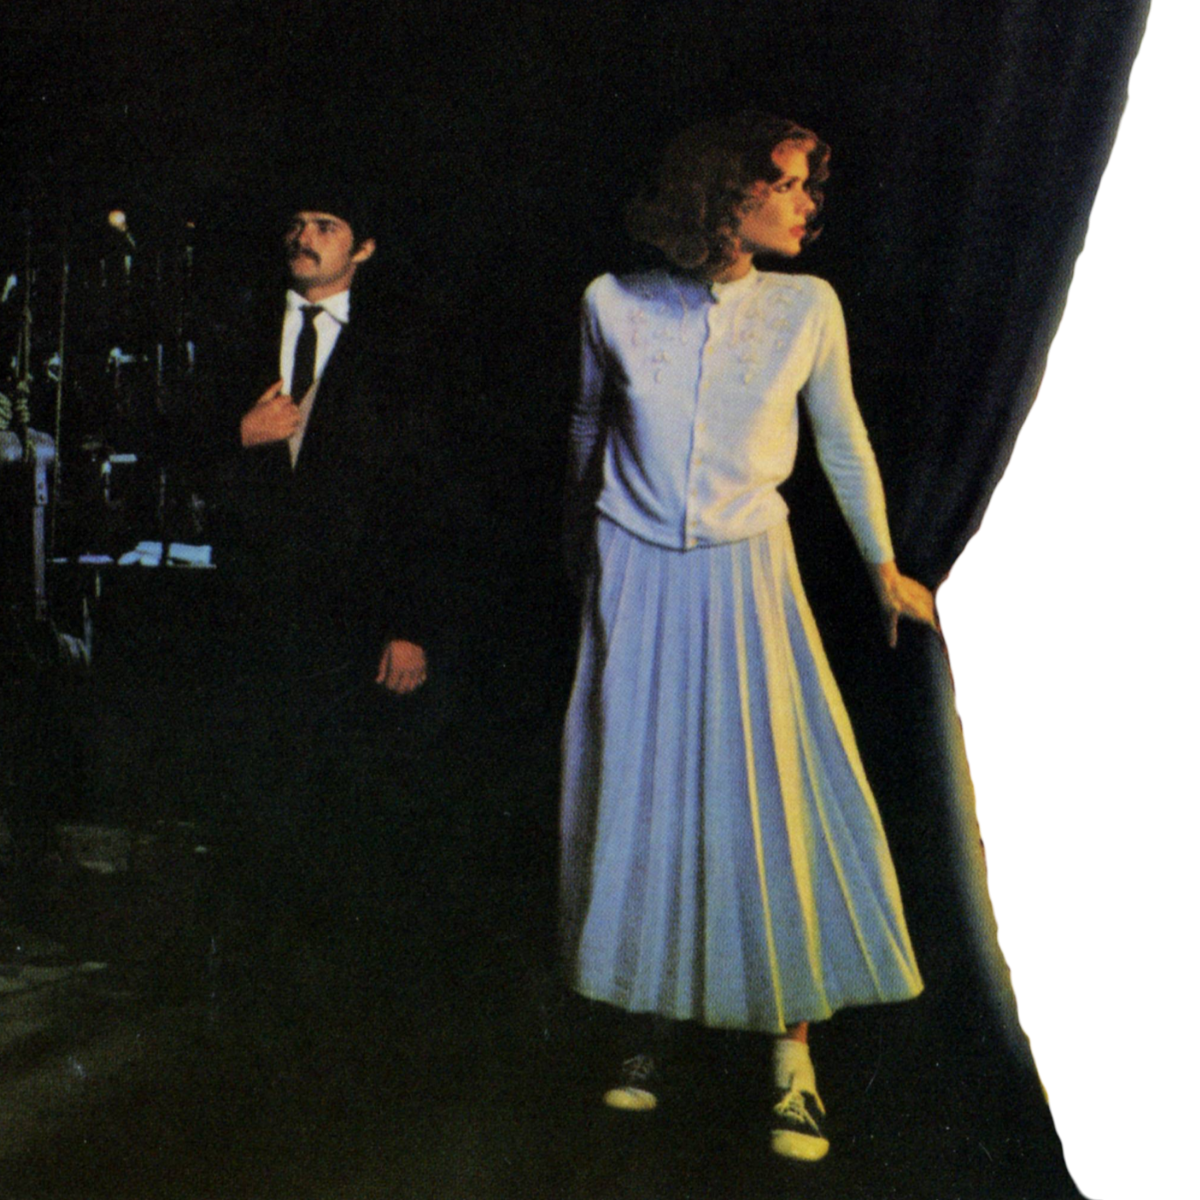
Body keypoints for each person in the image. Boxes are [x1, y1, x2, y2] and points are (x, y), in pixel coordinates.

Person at [560, 112, 937, 1163]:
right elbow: (587, 427)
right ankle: (644, 1026)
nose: (808, 202)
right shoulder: (612, 301)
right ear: (725, 191)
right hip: (633, 571)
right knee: (642, 794)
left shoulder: (808, 305)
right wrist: (577, 553)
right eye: (788, 182)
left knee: (766, 798)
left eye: (811, 183)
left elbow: (843, 439)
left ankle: (792, 1063)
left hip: (748, 575)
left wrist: (883, 567)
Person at [205, 186, 460, 991]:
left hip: (359, 617)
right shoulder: (238, 330)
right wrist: (238, 434)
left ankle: (345, 988)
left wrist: (411, 624)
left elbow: (428, 494)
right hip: (254, 612)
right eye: (295, 223)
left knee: (351, 800)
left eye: (325, 226)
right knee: (259, 794)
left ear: (364, 248)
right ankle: (256, 984)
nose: (303, 237)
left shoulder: (403, 348)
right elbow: (170, 444)